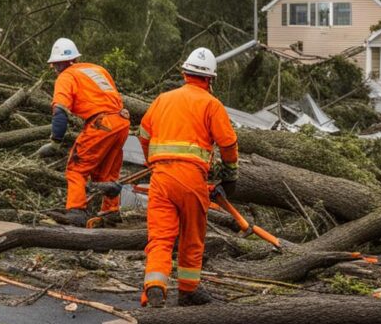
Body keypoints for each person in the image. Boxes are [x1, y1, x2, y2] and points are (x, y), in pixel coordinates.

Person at [138, 47, 239, 308]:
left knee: (160, 237)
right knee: (192, 236)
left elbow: (144, 134)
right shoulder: (211, 104)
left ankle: (155, 285)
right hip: (191, 178)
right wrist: (230, 175)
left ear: (185, 74)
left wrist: (152, 160)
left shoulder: (162, 99)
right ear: (210, 79)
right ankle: (188, 289)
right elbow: (227, 143)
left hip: (160, 177)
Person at [38, 38, 130, 227]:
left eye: (54, 64)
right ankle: (110, 211)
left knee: (76, 168)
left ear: (57, 63)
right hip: (121, 121)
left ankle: (76, 211)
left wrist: (55, 141)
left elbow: (60, 111)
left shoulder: (66, 77)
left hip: (102, 124)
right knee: (106, 171)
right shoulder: (97, 69)